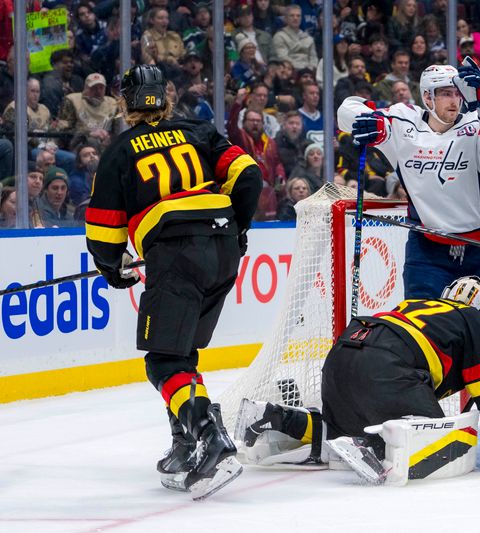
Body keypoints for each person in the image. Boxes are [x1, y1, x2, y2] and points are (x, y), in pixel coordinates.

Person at [85, 65, 261, 499]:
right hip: (222, 248)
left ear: (125, 103)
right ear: (165, 97)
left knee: (163, 361)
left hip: (177, 253)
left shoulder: (120, 150)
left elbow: (105, 227)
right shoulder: (200, 130)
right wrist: (236, 230)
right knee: (182, 353)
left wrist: (112, 267)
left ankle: (209, 436)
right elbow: (249, 174)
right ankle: (184, 445)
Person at [237, 276, 480, 484]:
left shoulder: (418, 305)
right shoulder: (476, 320)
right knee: (434, 438)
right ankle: (372, 445)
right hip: (387, 368)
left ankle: (277, 418)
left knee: (336, 428)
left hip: (342, 356)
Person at [337, 58, 480, 307]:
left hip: (479, 248)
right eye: (445, 93)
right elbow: (345, 110)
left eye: (457, 93)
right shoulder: (402, 122)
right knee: (418, 324)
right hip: (427, 250)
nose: (454, 100)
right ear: (427, 97)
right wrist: (369, 120)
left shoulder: (474, 124)